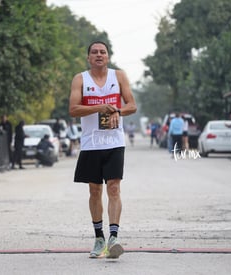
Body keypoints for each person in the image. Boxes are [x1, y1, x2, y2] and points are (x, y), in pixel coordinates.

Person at [68, 41, 137, 259]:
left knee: (114, 188)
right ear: (88, 57)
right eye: (95, 52)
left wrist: (117, 110)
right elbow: (73, 109)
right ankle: (99, 238)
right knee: (95, 190)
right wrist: (100, 107)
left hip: (114, 142)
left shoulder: (119, 76)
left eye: (103, 52)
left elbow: (132, 105)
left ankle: (113, 237)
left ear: (108, 56)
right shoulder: (80, 79)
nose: (99, 55)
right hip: (91, 143)